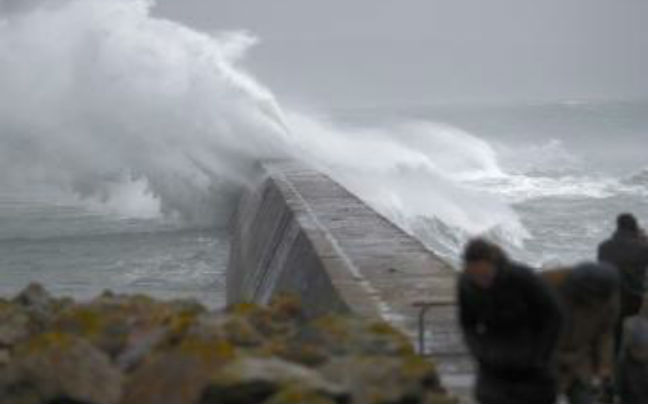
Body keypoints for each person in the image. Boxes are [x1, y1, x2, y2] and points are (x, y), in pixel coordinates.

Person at [458, 238, 563, 404]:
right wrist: (479, 352)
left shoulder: (523, 278)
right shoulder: (466, 285)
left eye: (484, 275)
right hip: (493, 367)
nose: (481, 281)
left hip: (531, 366)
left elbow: (554, 315)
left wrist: (541, 355)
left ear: (493, 264)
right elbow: (467, 323)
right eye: (475, 276)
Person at [541, 263, 620, 404]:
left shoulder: (608, 300)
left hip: (580, 360)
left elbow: (605, 334)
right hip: (545, 358)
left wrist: (604, 366)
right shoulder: (548, 290)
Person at [598, 213, 648, 353]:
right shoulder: (642, 248)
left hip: (610, 297)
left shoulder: (603, 247)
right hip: (634, 300)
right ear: (634, 227)